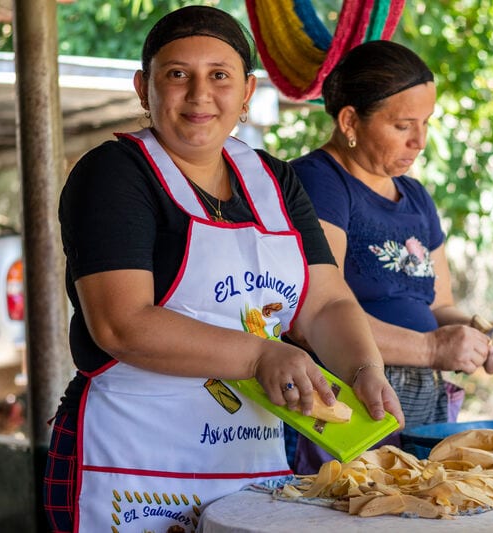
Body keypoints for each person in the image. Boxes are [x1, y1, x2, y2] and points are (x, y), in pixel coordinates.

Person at [42, 6, 403, 532]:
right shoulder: (114, 173)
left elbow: (326, 301)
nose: (199, 95)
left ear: (247, 91)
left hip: (246, 464)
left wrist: (364, 370)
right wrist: (261, 353)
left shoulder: (276, 181)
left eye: (219, 76)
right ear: (144, 88)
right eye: (177, 75)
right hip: (132, 462)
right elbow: (121, 323)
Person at [287, 40, 493, 474]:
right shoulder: (319, 183)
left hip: (421, 401)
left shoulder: (415, 196)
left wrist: (481, 334)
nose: (420, 141)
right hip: (348, 404)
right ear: (349, 121)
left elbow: (437, 307)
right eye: (403, 126)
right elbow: (312, 315)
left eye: (426, 123)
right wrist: (432, 348)